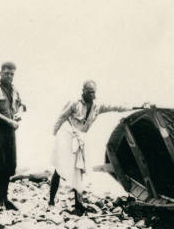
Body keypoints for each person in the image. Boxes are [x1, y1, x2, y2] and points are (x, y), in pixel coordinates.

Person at [49, 80, 131, 215]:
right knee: (59, 168)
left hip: (80, 138)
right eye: (89, 92)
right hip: (67, 136)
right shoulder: (74, 102)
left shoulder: (97, 106)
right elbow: (61, 117)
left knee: (78, 169)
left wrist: (135, 107)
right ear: (83, 91)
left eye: (94, 92)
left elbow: (115, 107)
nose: (92, 95)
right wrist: (56, 137)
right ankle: (51, 201)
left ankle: (78, 204)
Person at [0, 62, 27, 210]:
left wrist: (19, 115)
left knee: (10, 166)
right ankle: (0, 201)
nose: (9, 76)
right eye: (7, 73)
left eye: (12, 74)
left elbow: (23, 106)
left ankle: (6, 198)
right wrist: (9, 121)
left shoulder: (15, 90)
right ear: (1, 73)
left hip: (10, 132)